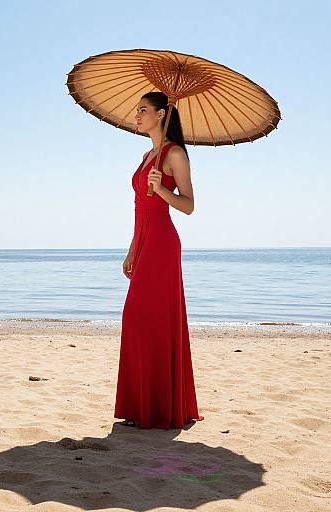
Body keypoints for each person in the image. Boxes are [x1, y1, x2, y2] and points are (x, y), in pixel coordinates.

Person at [114, 91, 205, 429]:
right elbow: (139, 212)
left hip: (165, 246)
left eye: (143, 110)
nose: (136, 115)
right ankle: (140, 407)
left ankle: (156, 409)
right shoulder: (145, 156)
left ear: (161, 114)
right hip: (145, 244)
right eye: (136, 109)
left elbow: (189, 205)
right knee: (136, 320)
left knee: (145, 319)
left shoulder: (175, 155)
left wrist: (163, 190)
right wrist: (131, 250)